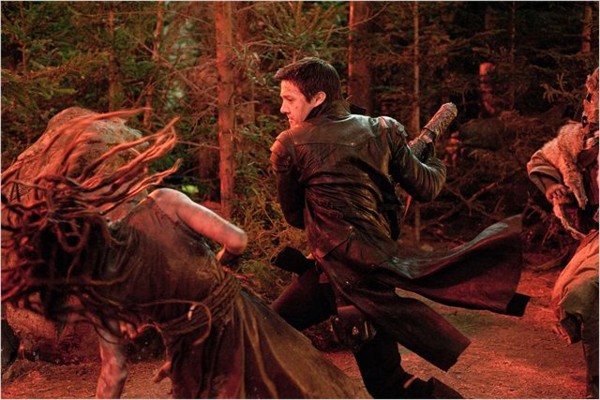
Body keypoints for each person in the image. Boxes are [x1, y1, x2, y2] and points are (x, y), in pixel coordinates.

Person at [1, 110, 370, 399]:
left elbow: (114, 372)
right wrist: (215, 270)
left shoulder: (99, 289)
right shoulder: (164, 203)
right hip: (244, 324)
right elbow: (238, 240)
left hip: (190, 358)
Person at [270, 57, 529, 398]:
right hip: (350, 271)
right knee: (384, 382)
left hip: (352, 278)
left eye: (289, 99)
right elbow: (427, 186)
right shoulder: (383, 129)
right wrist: (429, 155)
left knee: (270, 334)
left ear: (318, 98)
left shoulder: (288, 144)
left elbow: (293, 216)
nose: (283, 108)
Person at [527, 67, 599, 398]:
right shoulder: (578, 141)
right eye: (590, 96)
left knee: (587, 290)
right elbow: (542, 160)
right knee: (583, 293)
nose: (590, 102)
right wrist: (553, 186)